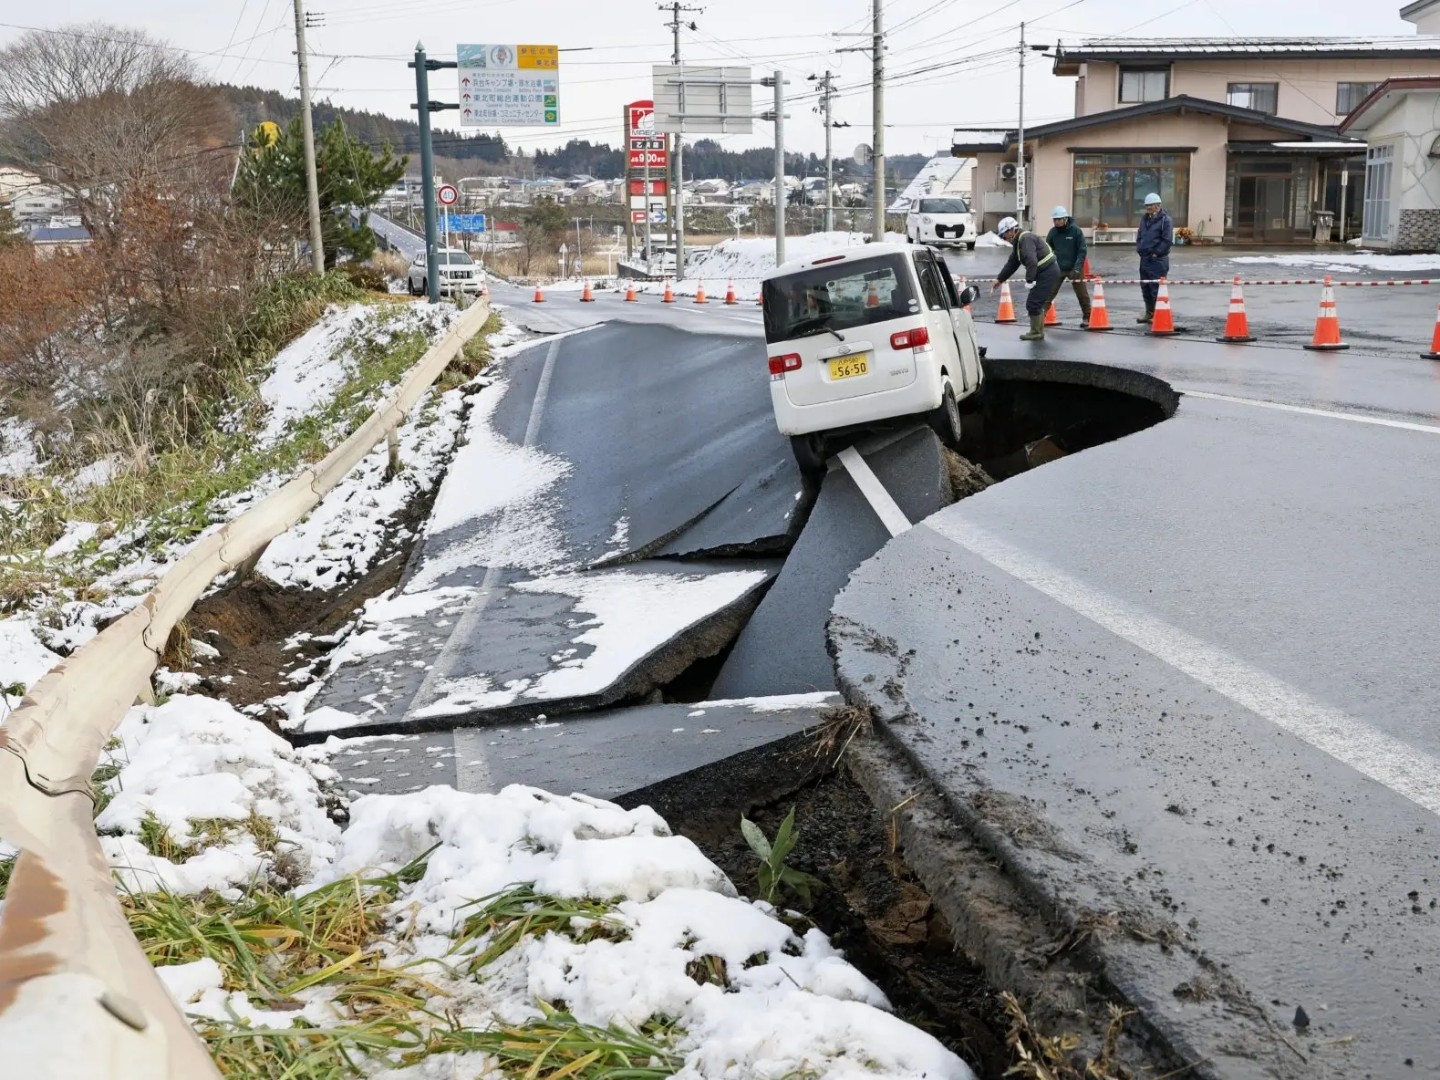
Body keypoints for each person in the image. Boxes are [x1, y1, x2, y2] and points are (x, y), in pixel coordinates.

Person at [990, 216, 1059, 341]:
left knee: (1034, 302)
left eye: (1004, 234)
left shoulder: (1025, 239)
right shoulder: (1018, 242)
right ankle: (1037, 331)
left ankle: (1036, 332)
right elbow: (1012, 263)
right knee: (1035, 302)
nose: (1004, 238)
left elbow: (1031, 261)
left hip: (1048, 272)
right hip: (1044, 272)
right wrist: (999, 279)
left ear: (1011, 230)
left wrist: (1029, 281)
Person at [1045, 206, 1091, 327]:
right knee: (1049, 293)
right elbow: (1047, 250)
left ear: (1065, 219)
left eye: (1058, 219)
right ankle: (1040, 316)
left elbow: (1082, 251)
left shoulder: (1076, 231)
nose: (1056, 222)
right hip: (1058, 268)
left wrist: (1077, 268)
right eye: (1054, 219)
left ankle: (1087, 317)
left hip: (1074, 267)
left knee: (1082, 294)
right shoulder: (1052, 232)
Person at [1136, 192, 1173, 324]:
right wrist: (1139, 248)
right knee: (1145, 286)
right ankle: (1149, 312)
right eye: (1147, 206)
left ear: (1158, 205)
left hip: (1158, 260)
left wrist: (1156, 253)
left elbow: (1167, 240)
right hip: (1144, 258)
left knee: (1156, 287)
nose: (1148, 208)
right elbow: (1140, 235)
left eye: (1150, 206)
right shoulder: (1144, 219)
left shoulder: (1165, 220)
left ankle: (1160, 314)